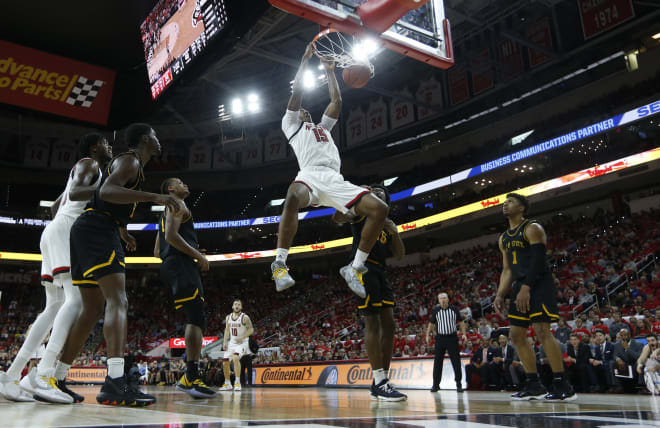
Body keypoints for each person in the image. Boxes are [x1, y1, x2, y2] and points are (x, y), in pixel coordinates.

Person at [57, 123, 180, 406]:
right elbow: (108, 190)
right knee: (118, 300)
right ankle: (114, 381)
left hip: (89, 229)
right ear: (147, 139)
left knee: (90, 310)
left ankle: (59, 377)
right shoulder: (131, 160)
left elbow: (107, 199)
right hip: (99, 231)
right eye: (157, 135)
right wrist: (155, 197)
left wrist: (123, 229)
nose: (160, 141)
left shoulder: (130, 163)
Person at [270, 42, 389, 298]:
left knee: (380, 209)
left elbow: (337, 99)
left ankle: (355, 268)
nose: (302, 109)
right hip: (310, 175)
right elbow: (298, 92)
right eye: (298, 109)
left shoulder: (323, 127)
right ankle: (279, 264)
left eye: (303, 108)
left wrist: (330, 70)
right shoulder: (291, 125)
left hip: (334, 178)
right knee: (292, 196)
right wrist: (304, 61)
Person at [0, 133, 111, 404]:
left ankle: (13, 376)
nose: (109, 148)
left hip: (54, 229)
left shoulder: (80, 169)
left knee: (54, 306)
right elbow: (74, 194)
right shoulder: (91, 164)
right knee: (75, 301)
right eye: (106, 144)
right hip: (65, 231)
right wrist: (104, 192)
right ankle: (46, 372)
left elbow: (53, 207)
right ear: (95, 147)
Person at [493, 193, 576, 401]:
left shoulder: (532, 228)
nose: (505, 204)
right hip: (520, 285)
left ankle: (562, 384)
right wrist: (500, 294)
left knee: (541, 330)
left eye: (511, 202)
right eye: (505, 202)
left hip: (539, 283)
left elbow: (539, 261)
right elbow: (507, 270)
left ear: (522, 208)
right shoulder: (503, 238)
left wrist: (527, 287)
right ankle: (534, 384)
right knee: (516, 335)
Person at [332, 184, 406, 401]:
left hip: (380, 272)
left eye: (380, 190)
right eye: (373, 189)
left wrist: (395, 232)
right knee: (372, 323)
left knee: (390, 325)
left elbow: (400, 255)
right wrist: (352, 197)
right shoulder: (363, 211)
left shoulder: (387, 223)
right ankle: (380, 380)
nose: (376, 190)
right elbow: (337, 218)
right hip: (362, 269)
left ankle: (382, 380)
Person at [154, 177, 215, 399]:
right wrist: (198, 255)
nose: (185, 184)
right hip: (181, 264)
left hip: (173, 265)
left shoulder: (165, 212)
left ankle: (189, 376)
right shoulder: (177, 204)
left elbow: (157, 250)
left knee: (195, 316)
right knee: (196, 317)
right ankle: (190, 376)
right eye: (180, 182)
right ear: (171, 189)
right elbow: (171, 236)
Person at [426, 292, 466, 392]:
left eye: (444, 298)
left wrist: (464, 334)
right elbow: (431, 324)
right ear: (438, 301)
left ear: (448, 300)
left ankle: (459, 384)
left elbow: (461, 322)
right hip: (440, 338)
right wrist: (427, 335)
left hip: (452, 338)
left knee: (456, 361)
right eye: (441, 299)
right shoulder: (436, 310)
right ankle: (435, 384)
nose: (443, 300)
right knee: (437, 362)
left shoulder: (454, 309)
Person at [219, 299, 254, 392]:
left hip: (243, 342)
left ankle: (237, 382)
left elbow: (251, 330)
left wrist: (243, 337)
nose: (237, 306)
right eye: (235, 304)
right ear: (232, 306)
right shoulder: (228, 317)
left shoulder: (245, 317)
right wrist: (225, 342)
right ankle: (227, 383)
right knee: (225, 362)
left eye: (239, 304)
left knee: (235, 358)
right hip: (232, 342)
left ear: (241, 307)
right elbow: (227, 330)